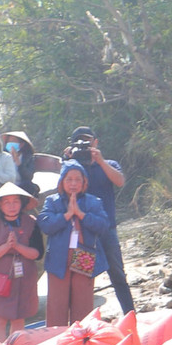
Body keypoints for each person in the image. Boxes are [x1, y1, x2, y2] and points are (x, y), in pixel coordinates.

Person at [64, 126, 132, 316]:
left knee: (118, 274)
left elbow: (120, 181)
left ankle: (130, 314)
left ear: (96, 142)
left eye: (88, 141)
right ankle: (83, 320)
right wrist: (67, 162)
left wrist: (100, 161)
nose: (85, 146)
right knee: (84, 278)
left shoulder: (108, 164)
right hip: (83, 233)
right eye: (80, 142)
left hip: (107, 230)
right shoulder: (72, 168)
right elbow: (61, 190)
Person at [37, 160, 110, 326]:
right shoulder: (52, 201)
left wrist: (81, 214)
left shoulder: (93, 202)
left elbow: (103, 225)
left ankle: (83, 341)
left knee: (83, 307)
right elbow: (45, 224)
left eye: (78, 180)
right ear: (62, 181)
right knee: (56, 306)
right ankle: (57, 342)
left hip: (84, 256)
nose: (73, 184)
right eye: (69, 179)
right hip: (58, 258)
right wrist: (67, 215)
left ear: (84, 182)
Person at [0, 183, 44, 341]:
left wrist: (18, 247)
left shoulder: (31, 222)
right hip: (0, 276)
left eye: (15, 201)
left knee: (19, 317)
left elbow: (37, 253)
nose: (12, 206)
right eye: (7, 202)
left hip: (24, 276)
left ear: (22, 203)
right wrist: (6, 247)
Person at [2, 130, 40, 197]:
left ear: (21, 144)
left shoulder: (28, 157)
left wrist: (18, 162)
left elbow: (29, 176)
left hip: (21, 185)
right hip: (6, 184)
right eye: (9, 141)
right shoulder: (3, 156)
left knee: (29, 186)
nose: (10, 144)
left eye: (13, 141)